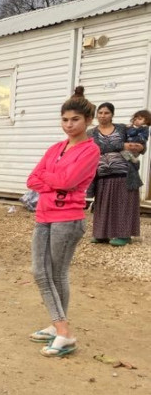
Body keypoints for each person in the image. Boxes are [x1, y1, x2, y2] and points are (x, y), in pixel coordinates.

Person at [26, 86, 100, 357]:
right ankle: (60, 327)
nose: (69, 125)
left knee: (53, 273)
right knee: (41, 271)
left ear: (87, 121)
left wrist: (51, 180)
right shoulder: (56, 147)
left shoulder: (90, 150)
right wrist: (54, 183)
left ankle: (64, 332)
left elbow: (68, 182)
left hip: (68, 219)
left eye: (75, 120)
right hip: (44, 215)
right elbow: (32, 178)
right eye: (65, 119)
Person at [89, 102, 145, 246]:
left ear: (112, 114)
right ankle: (101, 234)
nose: (103, 115)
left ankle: (124, 235)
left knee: (123, 204)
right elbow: (95, 149)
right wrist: (120, 146)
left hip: (124, 173)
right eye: (100, 113)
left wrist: (139, 146)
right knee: (104, 205)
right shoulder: (91, 133)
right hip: (102, 174)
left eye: (106, 113)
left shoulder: (122, 129)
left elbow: (139, 143)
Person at [122, 110, 150, 190]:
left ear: (146, 121)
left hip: (136, 149)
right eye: (135, 118)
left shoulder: (144, 128)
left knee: (124, 153)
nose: (136, 120)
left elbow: (141, 138)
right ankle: (134, 162)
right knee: (124, 154)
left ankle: (135, 162)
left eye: (140, 119)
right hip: (130, 148)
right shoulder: (134, 128)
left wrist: (132, 130)